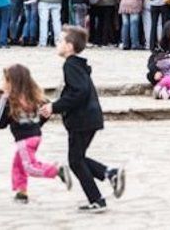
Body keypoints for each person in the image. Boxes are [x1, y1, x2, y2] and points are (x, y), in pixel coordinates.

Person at [39, 27, 125, 213]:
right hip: (87, 117)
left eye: (60, 41)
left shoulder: (70, 64)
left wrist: (55, 107)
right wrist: (56, 105)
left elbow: (79, 92)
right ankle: (109, 174)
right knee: (78, 158)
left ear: (69, 46)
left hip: (82, 119)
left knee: (75, 161)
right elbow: (75, 91)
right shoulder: (75, 64)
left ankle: (97, 199)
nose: (57, 44)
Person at [0, 64, 72, 203]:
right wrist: (37, 124)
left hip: (24, 139)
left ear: (11, 82)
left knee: (30, 167)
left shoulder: (9, 100)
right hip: (36, 136)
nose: (3, 83)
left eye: (5, 80)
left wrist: (2, 101)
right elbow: (48, 110)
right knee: (18, 164)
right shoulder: (35, 96)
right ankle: (21, 192)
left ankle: (57, 170)